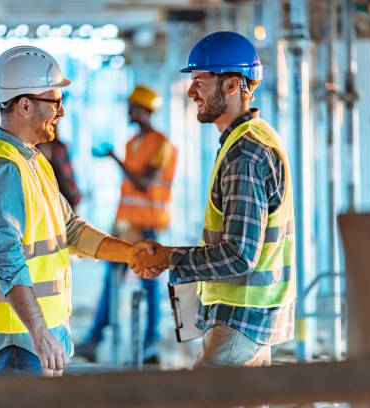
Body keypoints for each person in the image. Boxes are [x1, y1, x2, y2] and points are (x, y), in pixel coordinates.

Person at [0, 46, 152, 377]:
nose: (60, 112)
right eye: (54, 102)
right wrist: (40, 332)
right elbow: (6, 261)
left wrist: (130, 253)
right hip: (16, 342)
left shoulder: (32, 161)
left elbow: (70, 229)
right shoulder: (4, 170)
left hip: (35, 338)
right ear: (25, 105)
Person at [129, 31, 296, 369]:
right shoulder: (253, 138)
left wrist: (170, 258)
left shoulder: (245, 154)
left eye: (200, 82)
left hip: (240, 320)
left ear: (233, 85)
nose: (192, 92)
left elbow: (239, 255)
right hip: (252, 317)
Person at [76, 85, 177, 363]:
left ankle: (152, 343)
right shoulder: (132, 142)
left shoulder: (161, 144)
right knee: (110, 283)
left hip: (147, 228)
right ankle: (95, 340)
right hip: (126, 226)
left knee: (150, 286)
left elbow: (143, 183)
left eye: (133, 107)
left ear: (145, 111)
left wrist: (114, 159)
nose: (129, 111)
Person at [38, 125, 82, 213]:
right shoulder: (32, 150)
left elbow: (67, 176)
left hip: (63, 200)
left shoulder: (59, 148)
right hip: (48, 202)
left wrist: (73, 198)